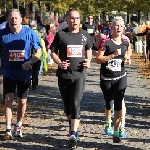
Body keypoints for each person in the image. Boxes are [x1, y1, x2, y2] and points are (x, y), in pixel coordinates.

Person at [50, 9, 92, 148]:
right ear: (67, 20)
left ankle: (73, 134)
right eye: (72, 18)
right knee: (68, 107)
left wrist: (88, 61)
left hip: (79, 75)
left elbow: (89, 51)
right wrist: (59, 63)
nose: (75, 21)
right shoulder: (61, 35)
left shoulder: (85, 35)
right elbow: (53, 53)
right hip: (64, 75)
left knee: (75, 103)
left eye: (77, 18)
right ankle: (71, 120)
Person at [0, 9, 41, 139]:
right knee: (8, 99)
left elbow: (39, 52)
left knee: (22, 102)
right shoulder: (2, 34)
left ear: (21, 19)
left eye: (16, 18)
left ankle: (18, 124)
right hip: (8, 71)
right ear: (8, 19)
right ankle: (7, 128)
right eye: (11, 18)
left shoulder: (29, 33)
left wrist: (30, 62)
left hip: (24, 72)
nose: (13, 20)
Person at [96, 16, 132, 143]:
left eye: (121, 26)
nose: (119, 28)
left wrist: (127, 57)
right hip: (106, 78)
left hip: (121, 76)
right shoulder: (106, 42)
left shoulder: (125, 41)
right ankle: (108, 122)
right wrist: (112, 55)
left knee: (119, 101)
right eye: (116, 26)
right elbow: (98, 59)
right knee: (109, 103)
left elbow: (129, 50)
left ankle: (117, 131)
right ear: (111, 28)